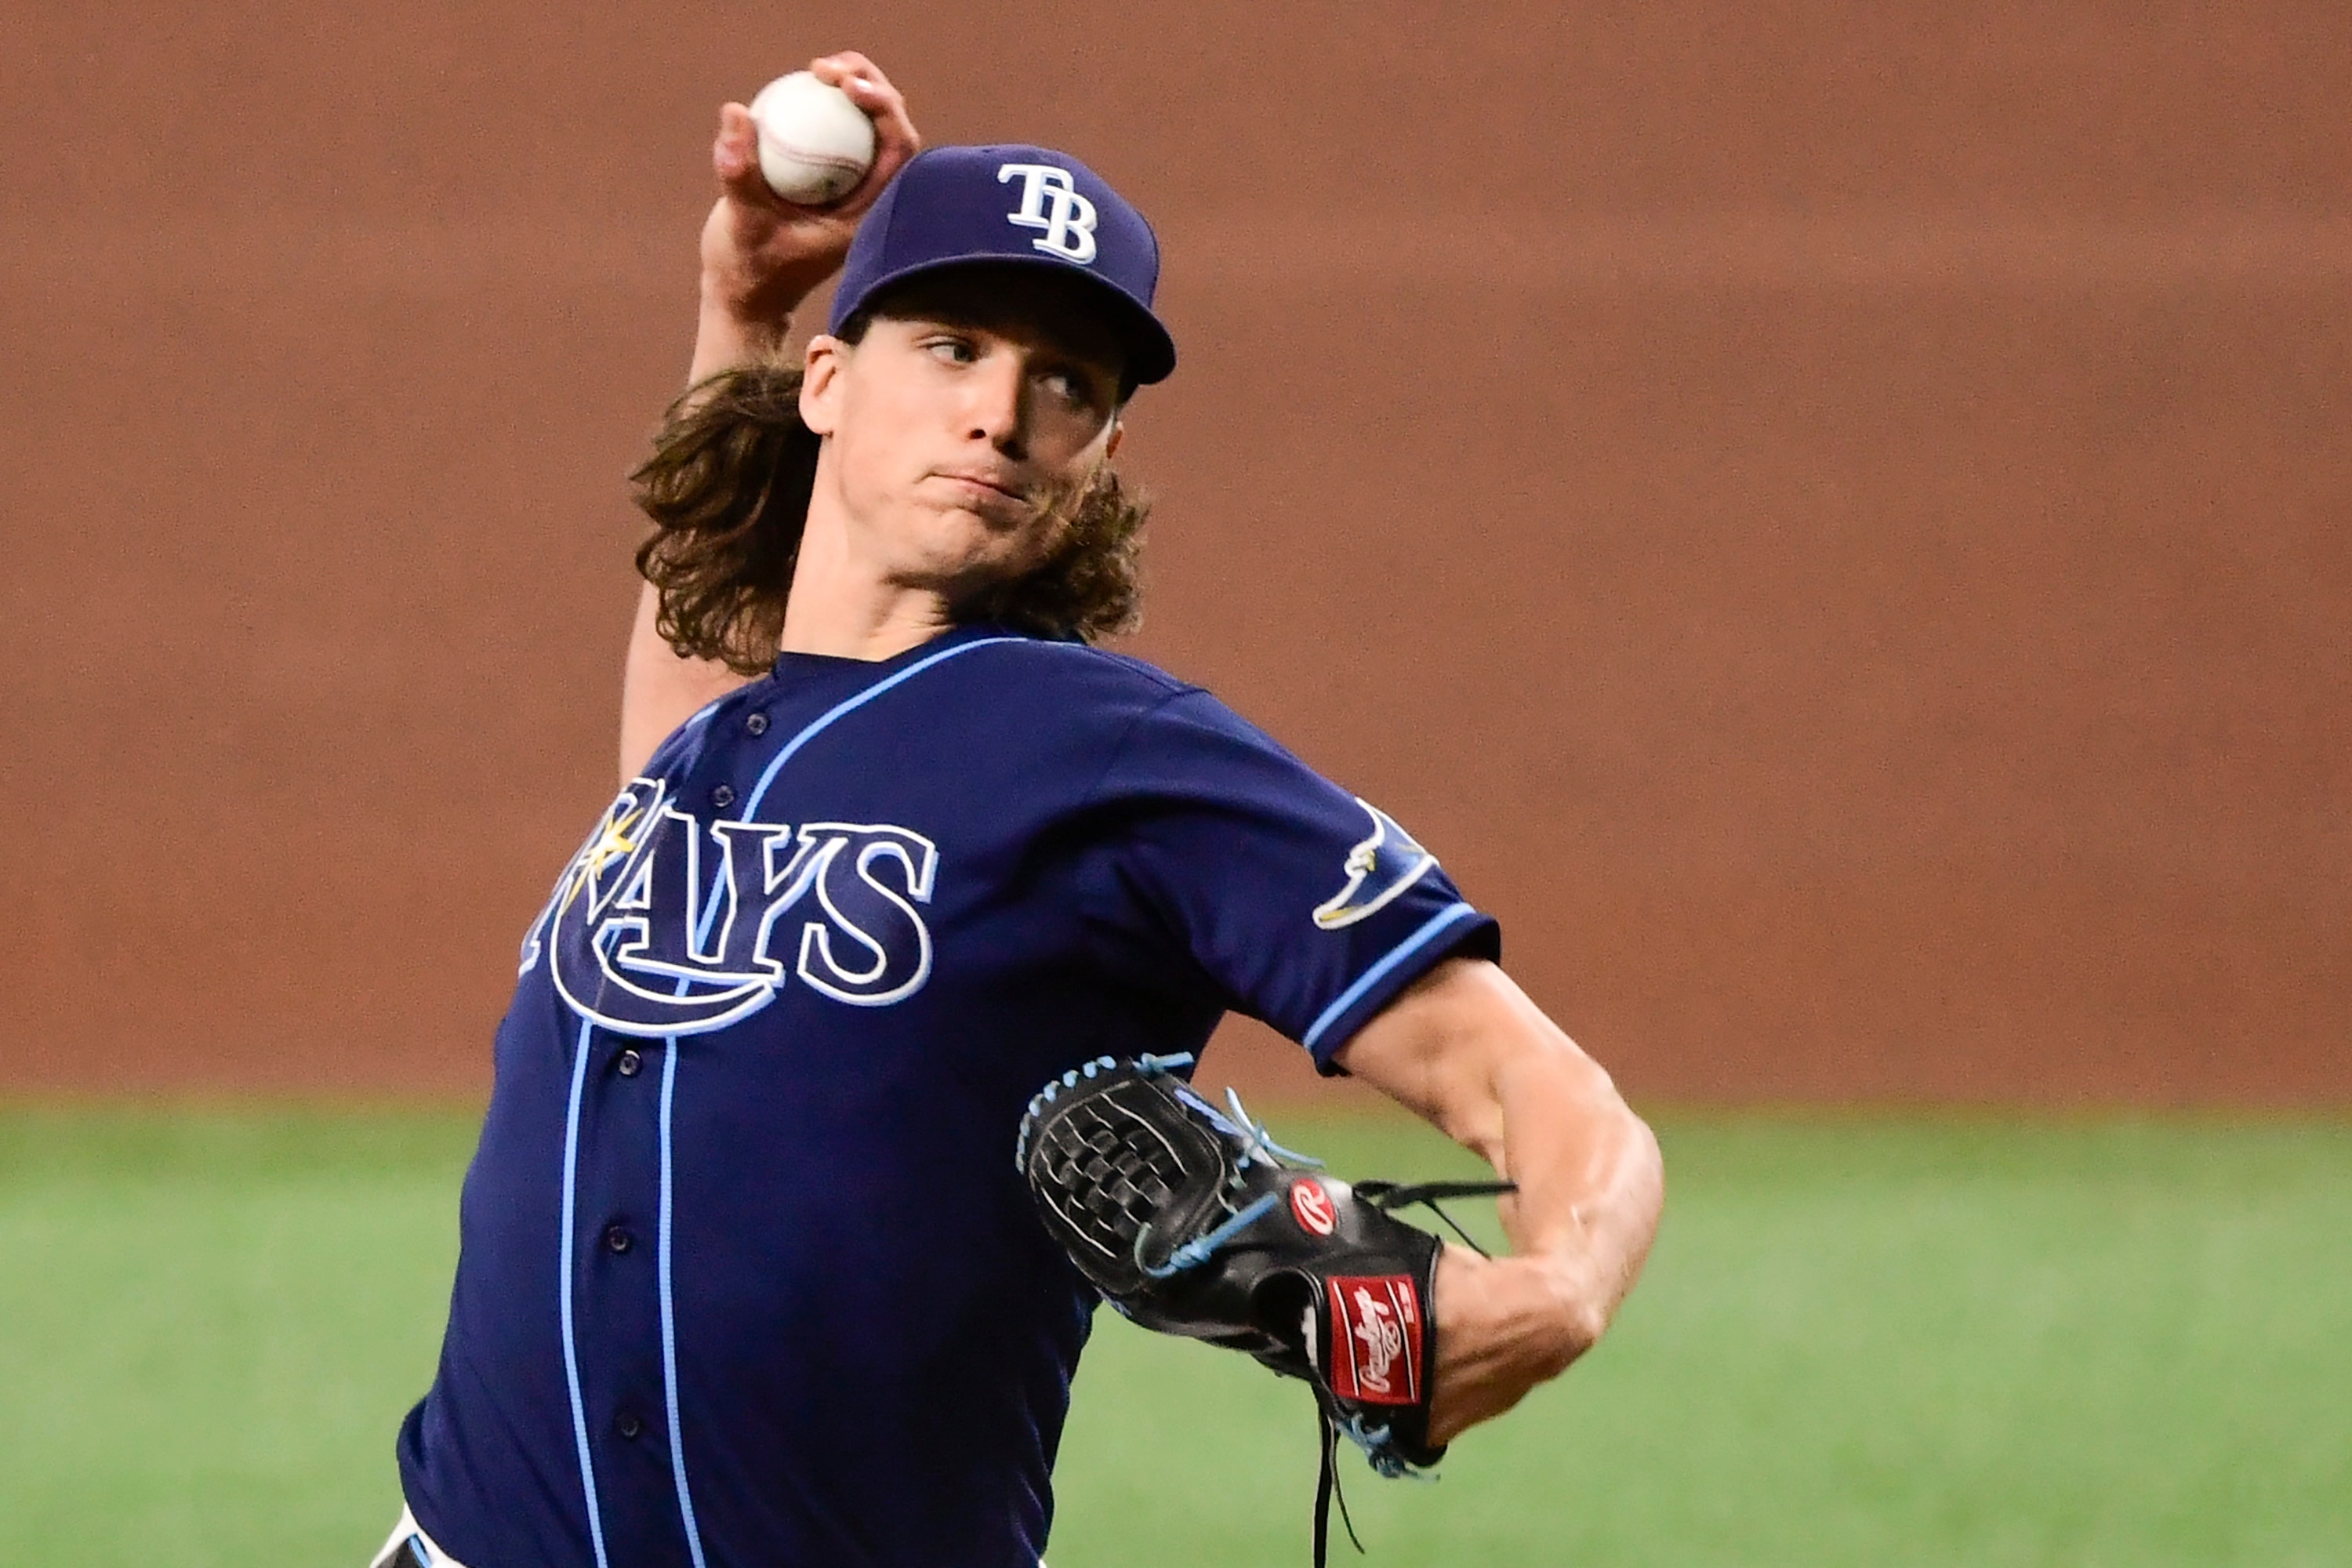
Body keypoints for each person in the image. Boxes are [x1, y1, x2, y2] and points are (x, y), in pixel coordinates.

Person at [376, 51, 1664, 1568]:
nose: (999, 413)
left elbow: (1545, 1088)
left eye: (1066, 383)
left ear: (1102, 458)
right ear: (832, 383)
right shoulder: (723, 743)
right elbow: (690, 686)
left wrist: (1559, 1289)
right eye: (951, 345)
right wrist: (740, 309)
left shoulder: (1115, 757)